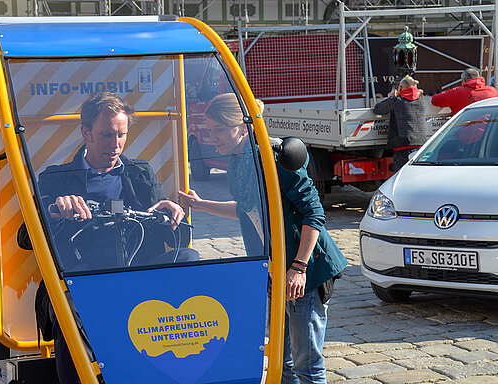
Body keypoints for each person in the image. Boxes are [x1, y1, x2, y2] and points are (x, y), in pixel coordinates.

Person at [179, 93, 348, 384]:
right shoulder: (236, 161)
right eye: (209, 129)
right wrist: (201, 204)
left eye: (218, 129)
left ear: (241, 126)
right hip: (275, 271)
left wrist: (298, 267)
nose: (212, 137)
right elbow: (246, 209)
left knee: (306, 364)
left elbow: (314, 213)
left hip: (304, 270)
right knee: (282, 361)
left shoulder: (274, 158)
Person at [36, 92, 199, 384]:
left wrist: (170, 213)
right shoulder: (56, 178)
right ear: (85, 132)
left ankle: (175, 359)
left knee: (189, 257)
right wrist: (56, 210)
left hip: (138, 275)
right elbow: (27, 236)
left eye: (121, 134)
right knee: (65, 306)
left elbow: (165, 229)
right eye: (106, 135)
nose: (115, 144)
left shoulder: (140, 172)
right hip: (83, 279)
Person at [373, 75, 427, 172]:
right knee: (417, 172)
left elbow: (378, 109)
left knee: (402, 173)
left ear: (400, 87)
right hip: (420, 142)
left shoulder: (397, 100)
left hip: (402, 143)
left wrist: (389, 97)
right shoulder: (422, 99)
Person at [431, 67, 498, 115]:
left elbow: (435, 100)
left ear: (463, 80)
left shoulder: (457, 92)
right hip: (489, 132)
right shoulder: (493, 91)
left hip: (464, 132)